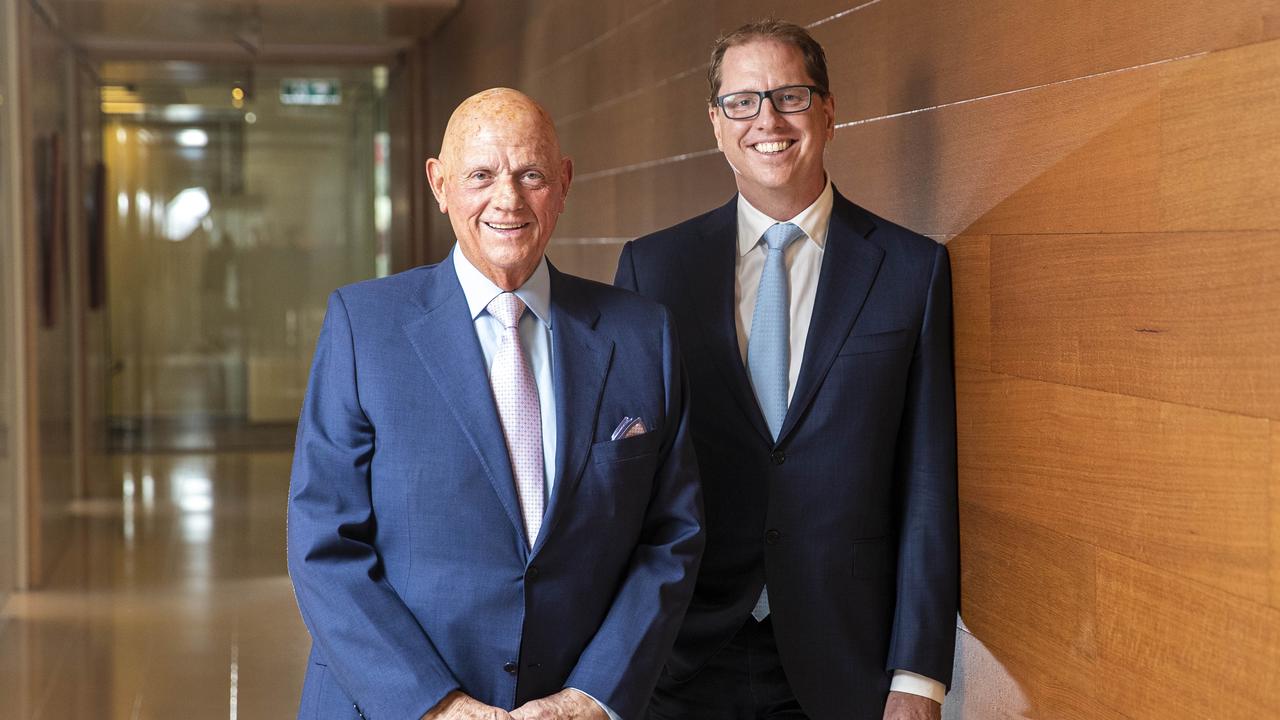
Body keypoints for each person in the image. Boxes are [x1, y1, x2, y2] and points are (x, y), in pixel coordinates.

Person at [288, 88, 704, 720]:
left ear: (563, 182)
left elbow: (671, 535)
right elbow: (323, 545)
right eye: (480, 175)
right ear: (439, 182)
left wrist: (589, 698)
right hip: (390, 706)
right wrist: (438, 706)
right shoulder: (363, 326)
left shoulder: (642, 334)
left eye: (530, 174)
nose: (507, 199)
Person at [614, 20, 959, 720]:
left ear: (829, 112)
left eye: (789, 96)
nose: (766, 119)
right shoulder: (653, 270)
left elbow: (928, 478)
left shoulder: (911, 271)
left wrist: (918, 678)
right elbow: (627, 479)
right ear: (716, 125)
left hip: (845, 660)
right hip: (680, 657)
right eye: (742, 102)